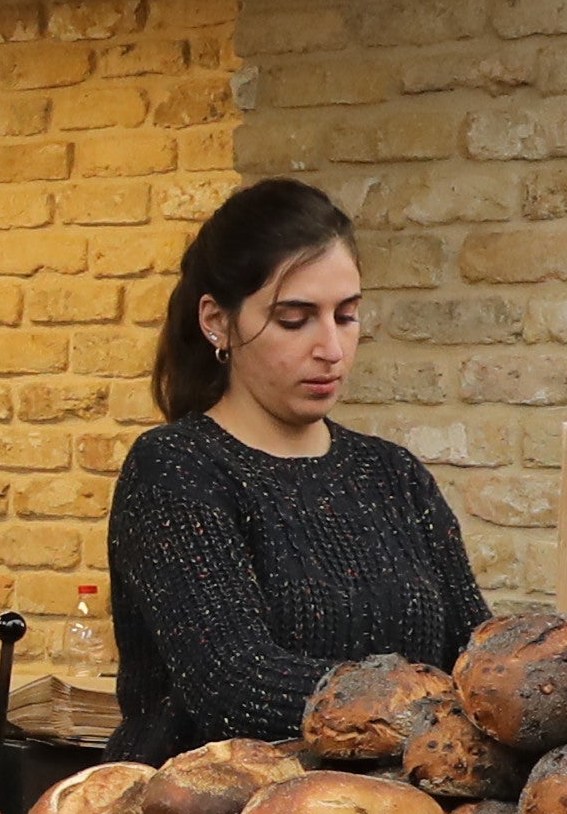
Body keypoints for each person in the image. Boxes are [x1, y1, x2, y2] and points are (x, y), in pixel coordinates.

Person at [102, 176, 486, 758]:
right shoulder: (177, 470)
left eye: (347, 316)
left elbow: (472, 655)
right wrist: (424, 707)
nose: (330, 348)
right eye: (294, 319)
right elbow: (233, 683)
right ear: (217, 321)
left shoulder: (393, 475)